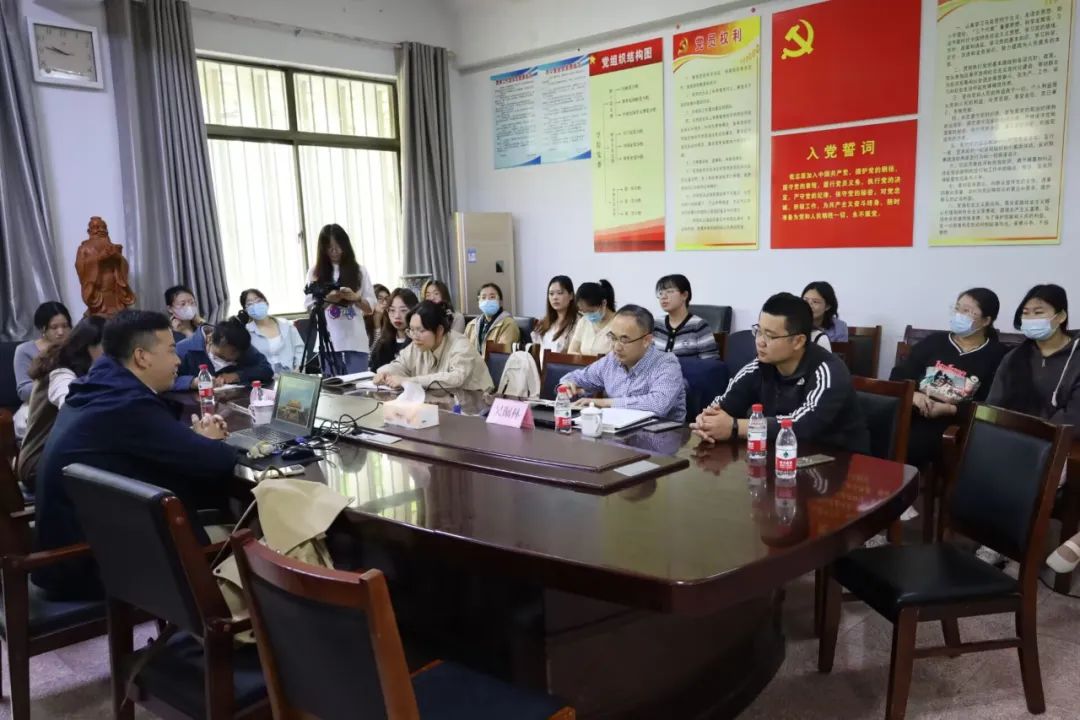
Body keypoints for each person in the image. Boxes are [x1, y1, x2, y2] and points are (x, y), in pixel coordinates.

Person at [33, 310, 238, 600]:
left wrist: (193, 442)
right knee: (249, 536)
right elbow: (219, 461)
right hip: (95, 566)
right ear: (141, 357)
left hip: (75, 556)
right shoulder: (127, 403)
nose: (178, 360)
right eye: (171, 350)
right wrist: (207, 443)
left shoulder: (99, 386)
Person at [692, 292, 869, 452]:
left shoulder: (828, 371)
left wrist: (735, 427)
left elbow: (804, 425)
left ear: (798, 341)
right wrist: (707, 420)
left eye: (769, 336)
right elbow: (724, 405)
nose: (760, 341)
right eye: (758, 331)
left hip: (838, 461)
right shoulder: (759, 366)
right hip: (783, 456)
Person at [983, 285, 1080, 573]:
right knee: (981, 460)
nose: (1031, 318)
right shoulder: (1015, 358)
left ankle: (1015, 549)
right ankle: (995, 540)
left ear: (1060, 316)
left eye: (1039, 312)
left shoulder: (1076, 358)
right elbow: (994, 404)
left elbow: (1075, 415)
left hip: (1061, 442)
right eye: (1026, 313)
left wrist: (1034, 438)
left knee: (1030, 472)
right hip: (1014, 436)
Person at [890, 288, 1007, 468]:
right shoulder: (935, 342)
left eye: (967, 311)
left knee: (915, 442)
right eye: (958, 309)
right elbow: (899, 374)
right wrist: (914, 394)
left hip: (958, 423)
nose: (959, 315)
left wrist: (949, 409)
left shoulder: (998, 355)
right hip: (915, 411)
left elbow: (991, 403)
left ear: (986, 320)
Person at [16, 316, 106, 494]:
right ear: (89, 346)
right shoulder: (61, 372)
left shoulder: (85, 368)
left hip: (63, 456)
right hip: (40, 464)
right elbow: (71, 405)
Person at [560, 305, 687, 422]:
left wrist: (605, 403)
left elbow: (658, 404)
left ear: (646, 340)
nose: (616, 347)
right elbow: (574, 377)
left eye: (624, 340)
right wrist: (567, 386)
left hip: (661, 435)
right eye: (613, 338)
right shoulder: (611, 360)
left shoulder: (666, 363)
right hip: (616, 432)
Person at [373, 301, 493, 392]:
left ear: (439, 330)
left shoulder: (460, 345)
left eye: (421, 330)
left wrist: (409, 381)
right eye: (411, 330)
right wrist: (385, 373)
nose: (414, 336)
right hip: (441, 402)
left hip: (477, 406)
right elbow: (401, 364)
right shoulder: (418, 344)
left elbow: (456, 378)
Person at [305, 223, 377, 375]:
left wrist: (356, 298)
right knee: (332, 386)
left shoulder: (359, 271)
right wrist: (328, 300)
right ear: (322, 249)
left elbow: (370, 308)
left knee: (358, 385)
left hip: (356, 341)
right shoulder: (314, 272)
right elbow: (310, 309)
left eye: (338, 246)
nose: (335, 251)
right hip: (329, 341)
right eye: (330, 248)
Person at [173, 317, 273, 391]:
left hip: (235, 401)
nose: (231, 360)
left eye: (234, 359)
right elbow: (167, 381)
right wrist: (192, 382)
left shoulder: (240, 343)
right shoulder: (183, 350)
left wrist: (237, 375)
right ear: (210, 339)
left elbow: (266, 369)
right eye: (221, 357)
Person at [15, 301, 71, 404]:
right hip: (38, 405)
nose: (61, 332)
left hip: (72, 400)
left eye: (65, 326)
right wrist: (54, 383)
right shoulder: (24, 350)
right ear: (42, 329)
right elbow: (23, 392)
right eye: (54, 327)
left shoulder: (76, 346)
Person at [238, 288, 305, 374]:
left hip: (291, 376)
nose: (255, 305)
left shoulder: (286, 325)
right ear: (245, 310)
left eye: (258, 300)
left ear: (266, 302)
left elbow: (300, 349)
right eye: (250, 304)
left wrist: (298, 368)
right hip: (264, 378)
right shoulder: (246, 333)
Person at [652, 274, 718, 359]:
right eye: (661, 293)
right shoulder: (657, 324)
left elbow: (711, 362)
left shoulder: (699, 326)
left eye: (670, 291)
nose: (663, 297)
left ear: (684, 295)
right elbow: (647, 357)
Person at [368, 288, 419, 371]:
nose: (397, 316)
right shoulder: (382, 344)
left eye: (403, 310)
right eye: (392, 310)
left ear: (414, 311)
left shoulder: (419, 342)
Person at [464, 283, 520, 352]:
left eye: (492, 297)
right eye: (483, 297)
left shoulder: (509, 324)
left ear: (501, 302)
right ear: (479, 302)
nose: (487, 301)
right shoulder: (471, 325)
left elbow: (501, 354)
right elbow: (462, 351)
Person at [567, 280, 617, 355]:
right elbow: (571, 351)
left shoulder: (618, 323)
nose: (587, 315)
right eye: (583, 312)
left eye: (591, 311)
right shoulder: (583, 321)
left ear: (603, 303)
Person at [531, 275, 577, 355]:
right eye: (551, 294)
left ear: (571, 295)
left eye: (560, 293)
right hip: (543, 363)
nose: (555, 297)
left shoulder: (578, 322)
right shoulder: (544, 322)